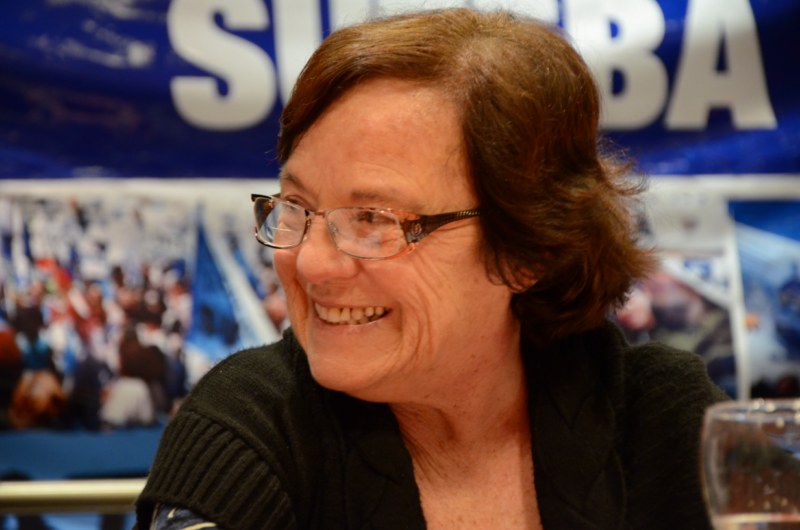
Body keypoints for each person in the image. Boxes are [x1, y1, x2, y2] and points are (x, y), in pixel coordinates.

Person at [135, 8, 727, 530]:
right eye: (296, 205)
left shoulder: (660, 417)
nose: (309, 261)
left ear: (529, 250)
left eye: (373, 218)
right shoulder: (249, 425)